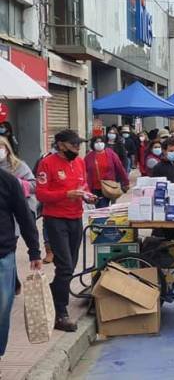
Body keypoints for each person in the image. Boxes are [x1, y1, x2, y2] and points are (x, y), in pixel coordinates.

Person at [36, 130, 97, 331]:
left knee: (70, 265)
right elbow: (42, 194)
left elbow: (84, 185)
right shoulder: (47, 163)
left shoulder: (78, 162)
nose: (77, 149)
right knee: (64, 266)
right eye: (73, 145)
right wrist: (66, 194)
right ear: (61, 145)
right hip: (55, 219)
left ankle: (53, 295)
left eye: (78, 145)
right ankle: (60, 313)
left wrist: (87, 195)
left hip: (75, 218)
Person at [0, 165, 42, 363]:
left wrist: (34, 251)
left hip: (2, 255)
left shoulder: (8, 181)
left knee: (2, 308)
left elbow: (25, 217)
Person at [84, 135, 130, 208]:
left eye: (101, 141)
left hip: (108, 186)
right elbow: (84, 172)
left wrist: (125, 182)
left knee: (102, 208)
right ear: (93, 144)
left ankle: (103, 218)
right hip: (94, 188)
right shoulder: (88, 157)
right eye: (96, 142)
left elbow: (120, 168)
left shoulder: (110, 154)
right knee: (100, 209)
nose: (99, 143)